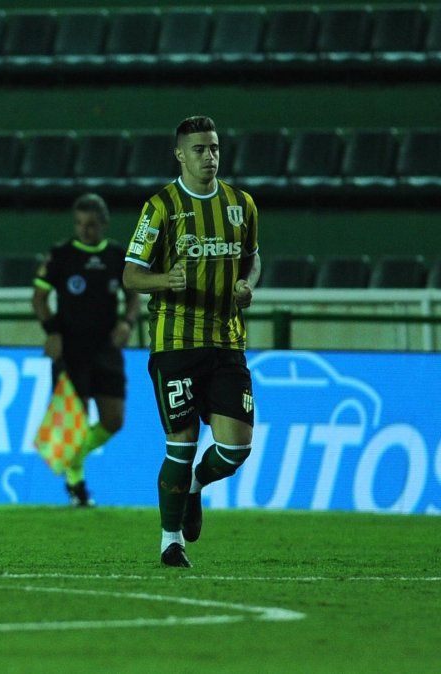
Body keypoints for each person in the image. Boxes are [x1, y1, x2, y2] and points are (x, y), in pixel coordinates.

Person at [122, 116, 261, 568]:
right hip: (176, 343)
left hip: (227, 342)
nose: (209, 156)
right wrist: (166, 279)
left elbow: (253, 259)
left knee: (236, 449)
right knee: (181, 443)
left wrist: (248, 284)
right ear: (180, 154)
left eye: (214, 147)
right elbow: (131, 275)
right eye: (199, 149)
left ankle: (196, 485)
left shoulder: (241, 204)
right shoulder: (160, 207)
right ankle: (171, 540)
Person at [33, 193, 140, 507]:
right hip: (70, 349)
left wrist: (127, 323)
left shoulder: (117, 256)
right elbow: (39, 299)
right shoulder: (61, 255)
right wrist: (52, 332)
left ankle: (72, 459)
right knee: (74, 421)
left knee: (113, 420)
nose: (85, 229)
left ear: (104, 224)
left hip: (106, 348)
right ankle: (76, 485)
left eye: (91, 224)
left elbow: (133, 296)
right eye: (79, 223)